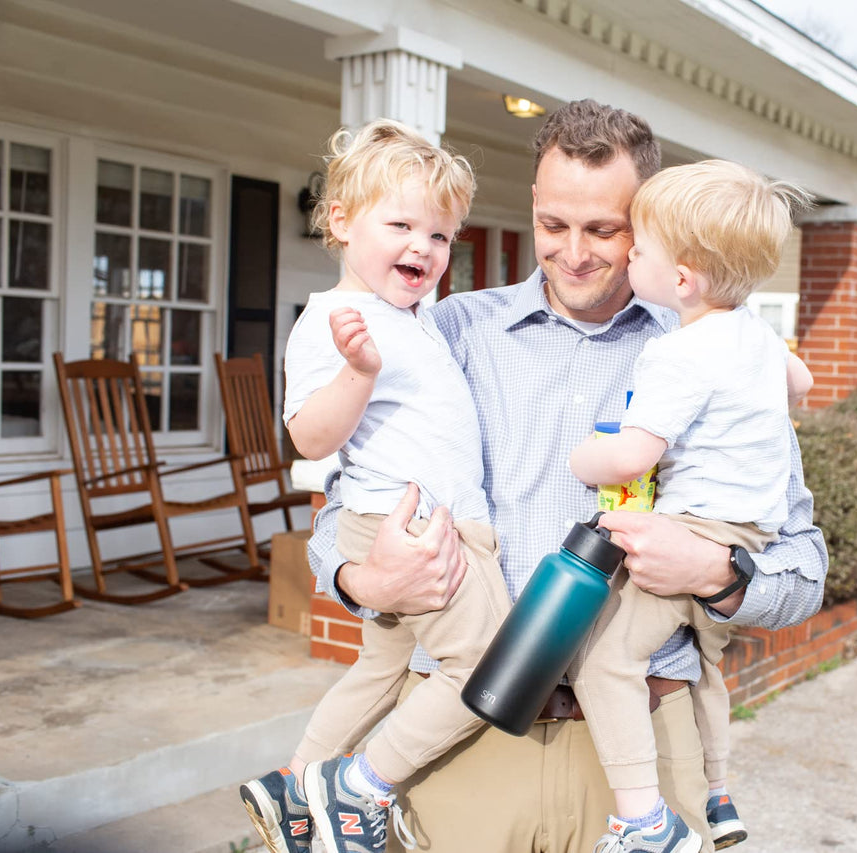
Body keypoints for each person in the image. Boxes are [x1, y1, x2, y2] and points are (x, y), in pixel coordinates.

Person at [283, 99, 826, 853]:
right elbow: (345, 510)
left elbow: (803, 566)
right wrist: (363, 584)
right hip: (464, 738)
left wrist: (717, 570)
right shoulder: (445, 334)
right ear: (533, 205)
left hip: (639, 748)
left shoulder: (723, 353)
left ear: (650, 221)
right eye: (553, 225)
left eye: (605, 229)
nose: (573, 253)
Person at [239, 118, 513, 853]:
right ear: (340, 221)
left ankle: (295, 782)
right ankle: (362, 786)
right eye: (400, 224)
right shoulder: (336, 320)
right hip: (405, 527)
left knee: (383, 669)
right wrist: (358, 373)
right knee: (488, 665)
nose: (422, 247)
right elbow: (308, 437)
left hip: (419, 521)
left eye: (440, 235)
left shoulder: (413, 316)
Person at [567, 159, 814, 853]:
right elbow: (803, 379)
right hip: (751, 531)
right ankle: (718, 791)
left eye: (638, 246)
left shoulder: (676, 353)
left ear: (682, 278)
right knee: (701, 659)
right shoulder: (757, 335)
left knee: (604, 658)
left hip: (693, 527)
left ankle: (645, 822)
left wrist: (582, 456)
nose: (627, 255)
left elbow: (629, 456)